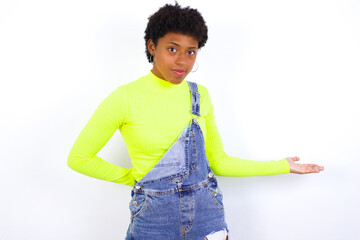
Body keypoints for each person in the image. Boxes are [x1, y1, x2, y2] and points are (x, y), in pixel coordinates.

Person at [67, 2, 324, 239]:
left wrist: (282, 165)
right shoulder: (124, 98)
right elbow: (79, 158)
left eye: (191, 52)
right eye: (172, 49)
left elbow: (219, 162)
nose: (182, 61)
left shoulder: (199, 95)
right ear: (152, 46)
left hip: (207, 214)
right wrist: (136, 178)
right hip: (154, 221)